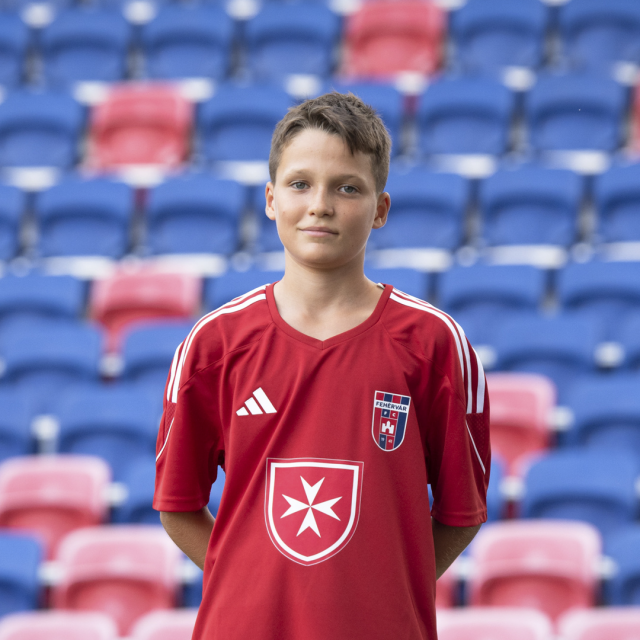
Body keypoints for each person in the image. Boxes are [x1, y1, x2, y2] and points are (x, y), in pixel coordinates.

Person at [154, 92, 490, 639]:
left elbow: (461, 512)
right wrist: (251, 582)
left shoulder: (435, 345)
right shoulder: (214, 344)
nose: (320, 205)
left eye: (347, 188)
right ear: (270, 199)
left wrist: (381, 590)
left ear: (381, 209)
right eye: (299, 184)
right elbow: (177, 505)